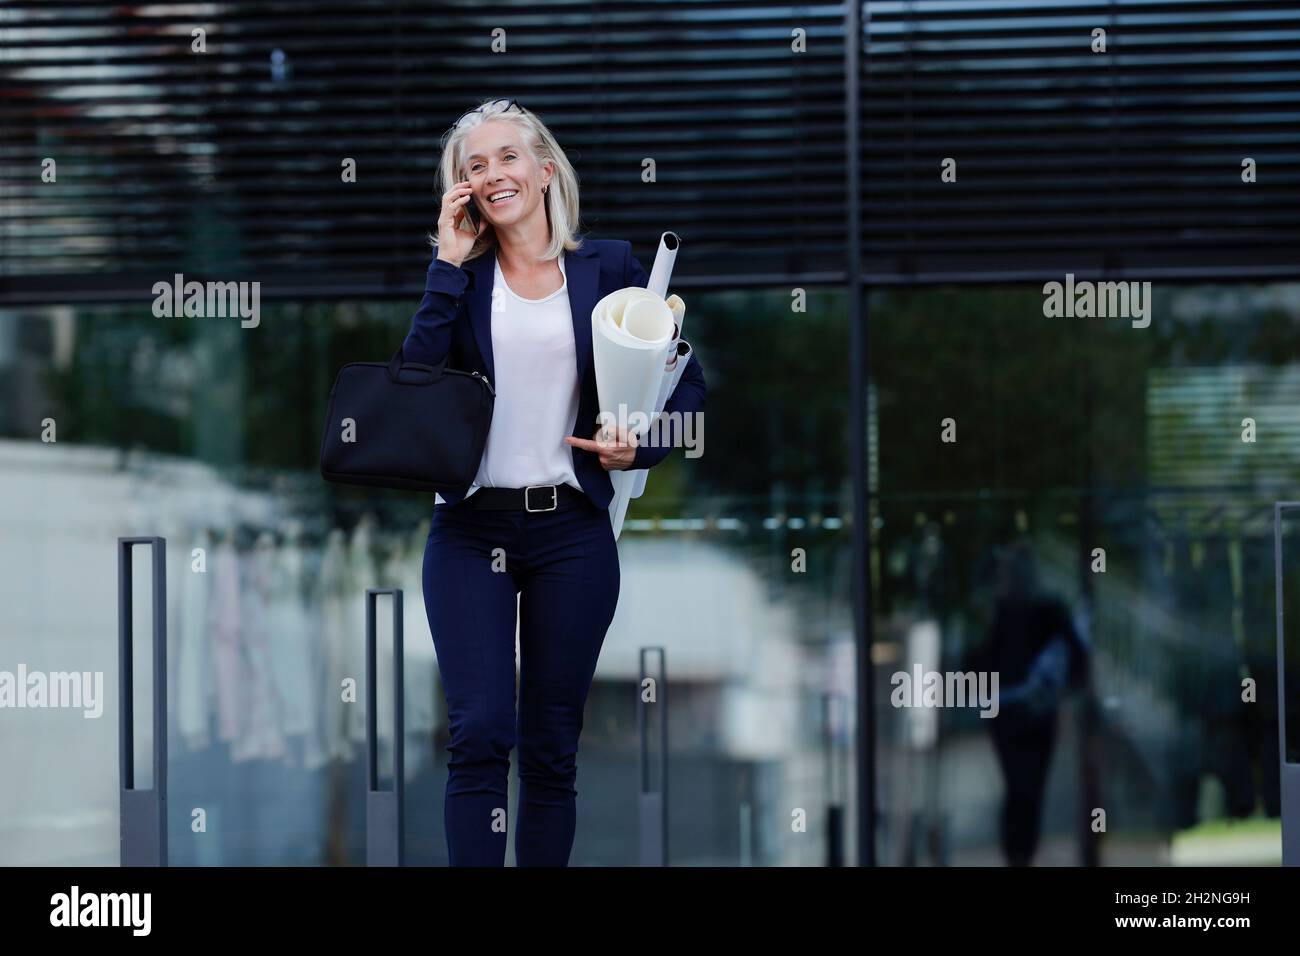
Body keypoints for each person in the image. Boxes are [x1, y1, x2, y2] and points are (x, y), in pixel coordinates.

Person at [400, 97, 706, 866]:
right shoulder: (460, 282)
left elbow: (686, 386)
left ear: (543, 170)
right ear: (462, 189)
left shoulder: (608, 269)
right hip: (470, 531)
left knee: (548, 748)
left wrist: (636, 449)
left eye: (507, 157)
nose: (493, 174)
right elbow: (413, 382)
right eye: (475, 166)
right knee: (478, 735)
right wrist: (445, 261)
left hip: (570, 531)